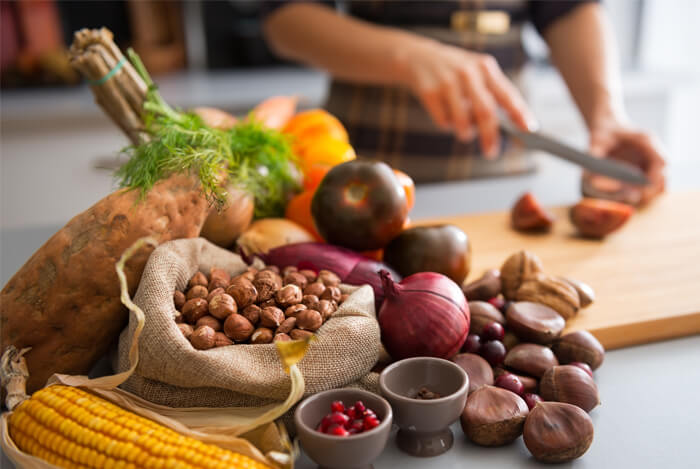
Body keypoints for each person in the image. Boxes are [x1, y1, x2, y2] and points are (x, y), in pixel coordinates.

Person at [263, 1, 664, 202]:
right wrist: (408, 56)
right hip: (360, 180)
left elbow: (569, 7)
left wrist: (606, 115)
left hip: (508, 176)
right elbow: (284, 18)